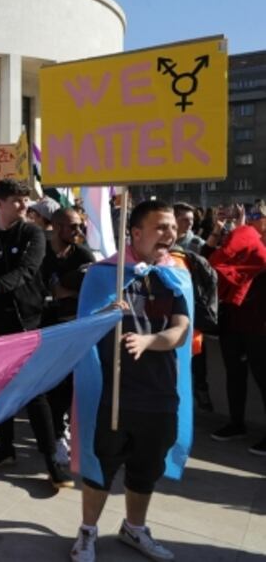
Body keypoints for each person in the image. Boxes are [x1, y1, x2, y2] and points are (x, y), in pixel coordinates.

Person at [70, 200, 190, 562]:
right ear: (136, 233)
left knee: (146, 469)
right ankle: (87, 532)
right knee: (100, 466)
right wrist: (107, 315)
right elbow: (83, 328)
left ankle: (134, 528)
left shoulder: (174, 276)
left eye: (172, 227)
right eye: (161, 227)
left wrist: (150, 341)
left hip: (160, 395)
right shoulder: (105, 274)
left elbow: (181, 331)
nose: (170, 234)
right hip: (113, 394)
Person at [0, 179, 68, 487]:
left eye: (25, 200)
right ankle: (4, 448)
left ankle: (51, 460)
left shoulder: (34, 233)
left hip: (26, 324)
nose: (24, 206)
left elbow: (25, 273)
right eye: (17, 200)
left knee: (34, 392)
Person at [207, 202, 266, 446]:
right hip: (233, 322)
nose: (253, 220)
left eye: (258, 216)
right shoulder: (243, 244)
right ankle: (236, 422)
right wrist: (225, 232)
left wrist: (242, 232)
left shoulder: (255, 247)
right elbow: (212, 263)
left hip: (260, 326)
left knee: (264, 379)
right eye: (250, 215)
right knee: (234, 375)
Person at [41, 208, 96, 466]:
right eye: (72, 227)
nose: (78, 232)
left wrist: (67, 292)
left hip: (75, 327)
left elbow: (92, 289)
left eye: (80, 226)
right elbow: (39, 287)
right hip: (46, 329)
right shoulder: (41, 253)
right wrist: (57, 291)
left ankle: (67, 432)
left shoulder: (82, 255)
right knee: (52, 385)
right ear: (56, 226)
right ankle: (55, 435)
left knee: (72, 384)